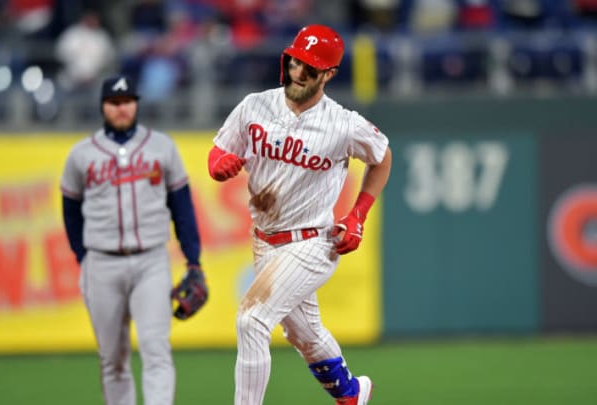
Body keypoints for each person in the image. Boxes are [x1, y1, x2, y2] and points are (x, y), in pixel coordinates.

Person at [207, 24, 392, 405]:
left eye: (311, 67)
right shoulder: (254, 105)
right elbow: (219, 149)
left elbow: (382, 156)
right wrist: (219, 163)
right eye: (296, 62)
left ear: (329, 74)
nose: (299, 71)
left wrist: (358, 214)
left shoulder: (343, 124)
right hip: (266, 242)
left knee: (252, 319)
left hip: (312, 243)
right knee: (304, 334)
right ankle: (352, 395)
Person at [60, 74, 207, 405]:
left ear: (137, 103)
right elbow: (71, 212)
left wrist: (193, 259)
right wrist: (84, 258)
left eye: (127, 101)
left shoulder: (161, 147)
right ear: (103, 107)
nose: (122, 108)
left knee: (157, 350)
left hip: (151, 261)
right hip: (101, 262)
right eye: (114, 102)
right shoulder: (81, 154)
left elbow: (182, 208)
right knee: (113, 359)